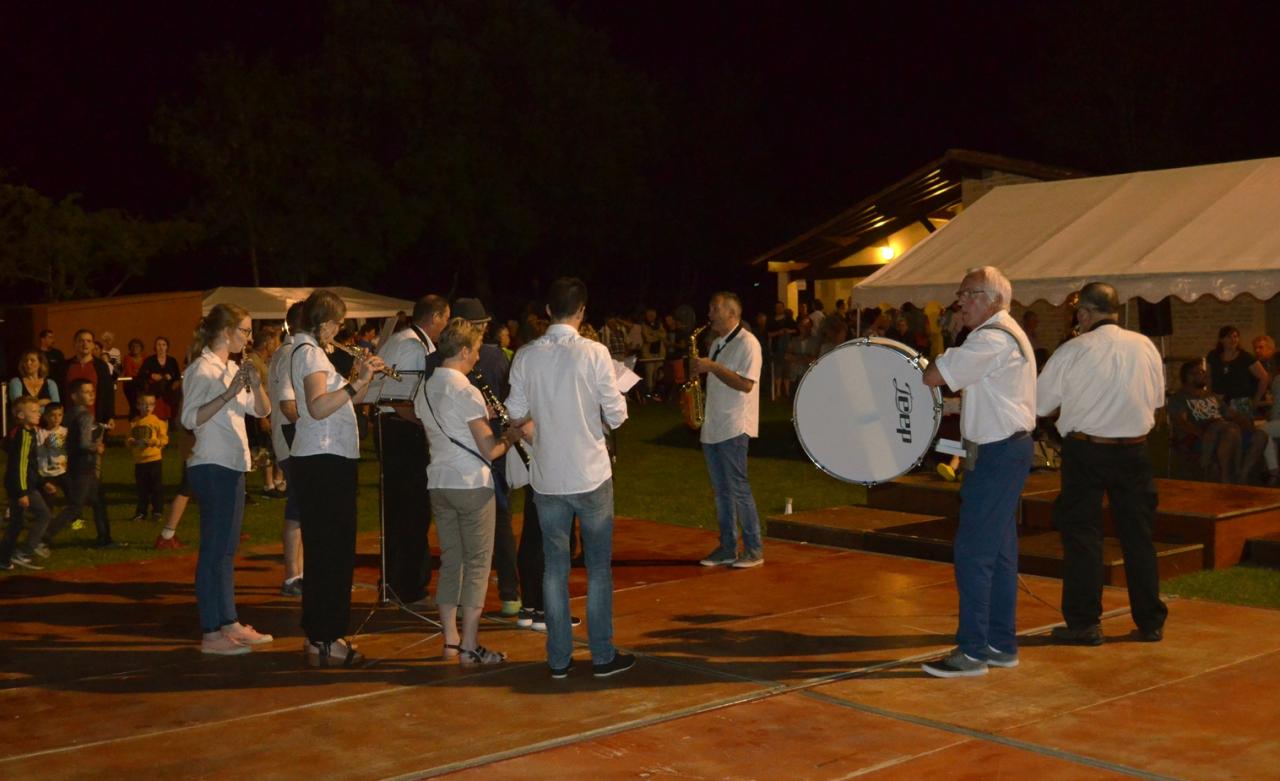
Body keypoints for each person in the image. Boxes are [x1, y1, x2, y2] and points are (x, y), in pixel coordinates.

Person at [506, 277, 633, 680]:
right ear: (581, 311)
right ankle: (601, 655)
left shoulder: (526, 355)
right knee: (597, 569)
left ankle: (558, 658)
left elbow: (514, 411)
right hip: (590, 473)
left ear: (547, 311)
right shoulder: (594, 353)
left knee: (554, 569)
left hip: (547, 476)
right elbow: (617, 415)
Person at [920, 266, 1036, 678]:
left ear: (993, 300)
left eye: (968, 294)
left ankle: (972, 652)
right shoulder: (1006, 334)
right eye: (961, 294)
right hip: (1006, 450)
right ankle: (1001, 645)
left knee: (973, 553)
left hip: (997, 455)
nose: (960, 302)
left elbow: (933, 376)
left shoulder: (990, 338)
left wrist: (947, 349)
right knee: (1001, 555)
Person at [1037, 282, 1168, 646]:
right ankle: (1150, 622)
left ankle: (1084, 624)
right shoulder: (1145, 346)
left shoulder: (1073, 350)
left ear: (1083, 314)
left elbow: (1039, 404)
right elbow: (1156, 400)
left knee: (1083, 536)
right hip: (1135, 451)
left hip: (1087, 451)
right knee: (1139, 537)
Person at [417, 318, 522, 665]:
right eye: (475, 351)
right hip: (471, 484)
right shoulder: (467, 390)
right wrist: (510, 437)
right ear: (463, 350)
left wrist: (481, 414)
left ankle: (450, 640)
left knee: (451, 562)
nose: (478, 358)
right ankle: (471, 646)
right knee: (477, 566)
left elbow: (448, 424)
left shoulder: (427, 387)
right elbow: (489, 449)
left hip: (439, 482)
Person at [291, 289, 386, 667]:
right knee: (331, 553)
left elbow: (343, 401)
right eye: (336, 322)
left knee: (329, 552)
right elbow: (317, 407)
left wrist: (364, 377)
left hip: (327, 459)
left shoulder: (313, 353)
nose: (339, 329)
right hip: (323, 461)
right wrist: (353, 381)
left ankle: (322, 637)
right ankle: (326, 639)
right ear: (323, 321)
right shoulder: (310, 353)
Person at [180, 303, 273, 656]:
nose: (249, 338)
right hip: (212, 464)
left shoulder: (231, 367)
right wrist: (229, 392)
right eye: (246, 331)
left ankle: (228, 621)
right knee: (214, 551)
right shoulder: (201, 370)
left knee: (227, 550)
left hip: (233, 464)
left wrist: (255, 384)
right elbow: (190, 418)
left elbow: (261, 410)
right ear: (226, 332)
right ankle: (210, 632)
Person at [374, 294, 450, 607]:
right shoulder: (411, 345)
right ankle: (409, 588)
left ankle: (394, 584)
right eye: (446, 319)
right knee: (412, 512)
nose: (446, 326)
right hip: (401, 433)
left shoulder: (402, 340)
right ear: (436, 318)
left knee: (401, 512)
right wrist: (428, 424)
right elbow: (397, 399)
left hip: (395, 432)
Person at [695, 292, 766, 569]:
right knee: (721, 491)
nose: (710, 314)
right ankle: (727, 547)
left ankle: (753, 548)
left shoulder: (749, 344)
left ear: (732, 314)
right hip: (713, 425)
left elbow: (747, 384)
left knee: (738, 489)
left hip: (735, 425)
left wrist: (712, 366)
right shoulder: (717, 344)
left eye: (715, 309)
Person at [43, 379, 114, 548]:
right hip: (84, 465)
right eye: (86, 392)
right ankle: (42, 537)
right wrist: (96, 447)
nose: (91, 394)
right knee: (75, 506)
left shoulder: (69, 414)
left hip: (73, 464)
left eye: (92, 391)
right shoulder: (85, 416)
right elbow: (83, 443)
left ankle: (105, 538)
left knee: (98, 501)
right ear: (75, 396)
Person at [1168, 360, 1263, 483]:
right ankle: (1225, 477)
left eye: (1202, 372)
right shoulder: (1179, 398)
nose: (1203, 375)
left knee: (1260, 436)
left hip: (1224, 429)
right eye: (1196, 373)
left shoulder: (1211, 396)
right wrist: (1203, 433)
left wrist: (1246, 423)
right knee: (1227, 430)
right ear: (1187, 377)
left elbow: (1231, 414)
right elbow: (1181, 422)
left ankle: (1242, 475)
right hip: (1200, 436)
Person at [268, 302, 305, 594]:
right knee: (298, 506)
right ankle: (293, 576)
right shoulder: (290, 353)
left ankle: (300, 573)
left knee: (302, 506)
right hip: (293, 438)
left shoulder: (292, 352)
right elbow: (288, 405)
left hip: (294, 437)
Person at [2, 397, 53, 571]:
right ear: (21, 415)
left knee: (16, 523)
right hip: (21, 486)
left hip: (21, 484)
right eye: (33, 410)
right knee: (43, 515)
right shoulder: (23, 435)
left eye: (38, 410)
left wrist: (42, 481)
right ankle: (23, 551)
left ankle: (4, 558)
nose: (38, 413)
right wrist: (22, 491)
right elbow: (20, 465)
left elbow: (30, 464)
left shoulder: (27, 432)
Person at [1206, 325, 1267, 418]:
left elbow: (1264, 377)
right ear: (1221, 339)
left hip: (1240, 402)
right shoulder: (1213, 356)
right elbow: (1208, 377)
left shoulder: (1245, 357)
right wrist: (1209, 396)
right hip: (1218, 399)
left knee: (1243, 428)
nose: (1233, 340)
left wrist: (1256, 400)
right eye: (1229, 337)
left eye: (1235, 336)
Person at [128, 392, 169, 522]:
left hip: (154, 459)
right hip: (140, 461)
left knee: (156, 487)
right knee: (142, 488)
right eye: (144, 404)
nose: (148, 407)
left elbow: (164, 438)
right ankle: (141, 511)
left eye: (151, 404)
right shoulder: (135, 422)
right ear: (138, 406)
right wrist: (131, 441)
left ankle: (157, 511)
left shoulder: (156, 421)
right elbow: (128, 438)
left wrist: (154, 442)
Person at [59, 329, 114, 425]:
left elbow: (108, 392)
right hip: (69, 420)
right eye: (81, 341)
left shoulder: (101, 366)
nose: (85, 344)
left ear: (93, 345)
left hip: (95, 419)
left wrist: (110, 416)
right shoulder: (65, 366)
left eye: (89, 341)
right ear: (74, 344)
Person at [140, 337, 182, 422]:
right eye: (158, 344)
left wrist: (171, 377)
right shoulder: (150, 360)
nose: (161, 347)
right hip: (154, 388)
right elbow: (142, 373)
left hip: (169, 388)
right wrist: (151, 375)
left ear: (167, 347)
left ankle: (172, 421)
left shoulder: (172, 360)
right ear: (155, 347)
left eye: (163, 345)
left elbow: (177, 375)